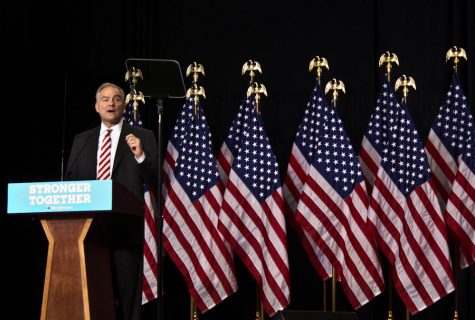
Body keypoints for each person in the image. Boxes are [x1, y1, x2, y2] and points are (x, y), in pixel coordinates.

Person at [65, 82, 158, 320]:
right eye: (105, 99)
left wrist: (141, 155)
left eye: (117, 98)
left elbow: (157, 179)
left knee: (126, 301)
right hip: (88, 232)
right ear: (96, 106)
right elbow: (70, 183)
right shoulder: (81, 140)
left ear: (124, 105)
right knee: (92, 297)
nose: (111, 103)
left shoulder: (142, 136)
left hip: (126, 232)